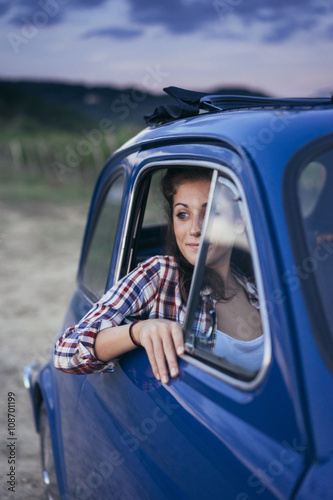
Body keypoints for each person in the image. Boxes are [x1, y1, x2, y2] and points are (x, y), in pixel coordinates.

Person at [54, 167, 263, 383]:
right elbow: (65, 351)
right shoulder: (161, 274)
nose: (195, 229)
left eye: (211, 213)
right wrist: (139, 331)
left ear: (239, 221)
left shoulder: (258, 289)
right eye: (183, 214)